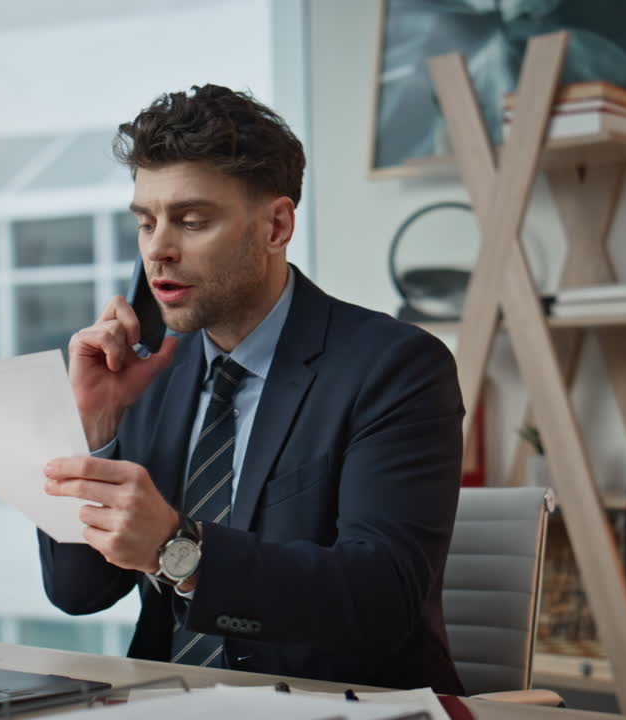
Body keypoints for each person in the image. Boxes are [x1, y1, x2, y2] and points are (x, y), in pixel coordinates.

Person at [37, 84, 465, 693]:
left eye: (191, 220)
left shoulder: (396, 368)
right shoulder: (144, 374)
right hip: (167, 705)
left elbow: (381, 597)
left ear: (276, 225)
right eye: (146, 222)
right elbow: (78, 593)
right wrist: (93, 429)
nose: (158, 248)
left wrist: (176, 546)